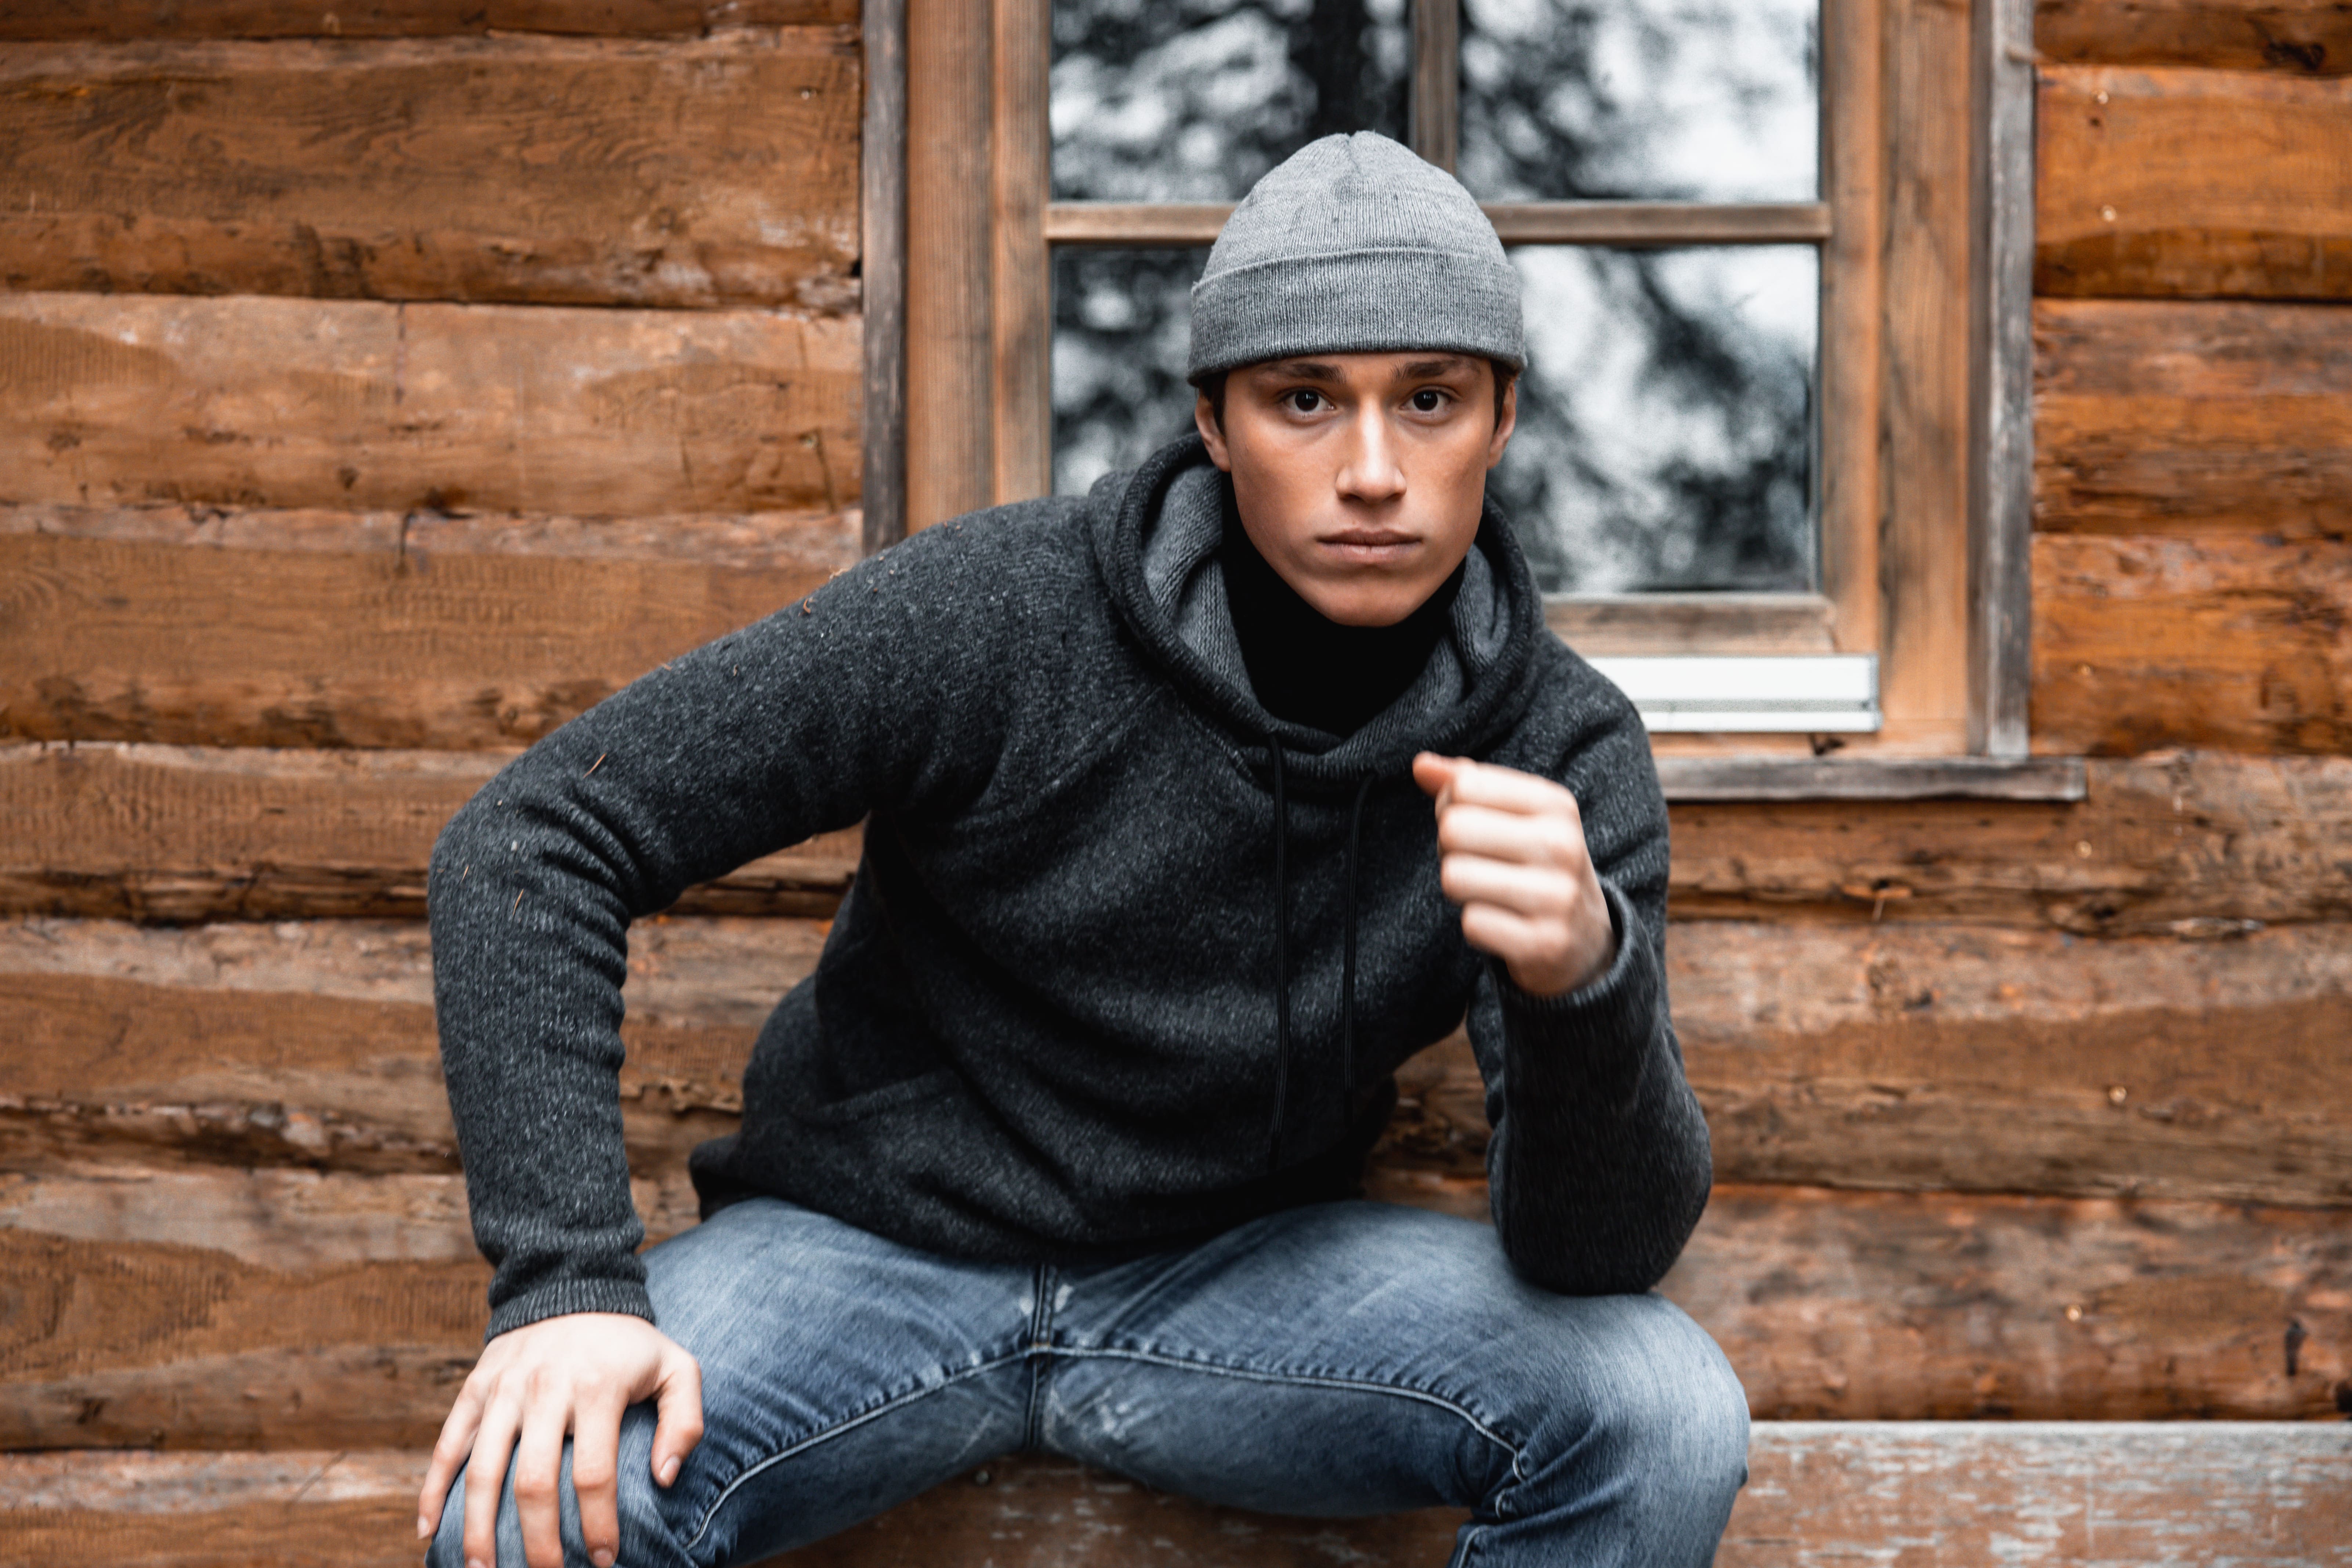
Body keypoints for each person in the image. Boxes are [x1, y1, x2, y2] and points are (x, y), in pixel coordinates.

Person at [420, 131, 1747, 1568]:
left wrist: (1583, 980)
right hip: (864, 1259)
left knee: (1659, 1410)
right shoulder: (1003, 617)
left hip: (1251, 1292)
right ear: (1215, 421)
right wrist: (568, 1288)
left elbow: (1595, 1258)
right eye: (1308, 400)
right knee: (537, 1507)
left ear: (1501, 421)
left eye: (1428, 401)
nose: (1374, 471)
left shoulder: (1555, 744)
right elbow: (539, 837)